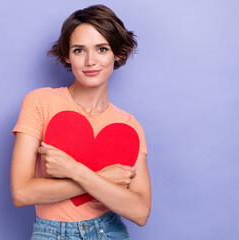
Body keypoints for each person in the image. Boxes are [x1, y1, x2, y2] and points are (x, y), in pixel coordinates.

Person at [11, 4, 151, 239]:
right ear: (67, 55)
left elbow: (140, 211)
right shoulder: (40, 102)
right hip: (51, 233)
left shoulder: (128, 126)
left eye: (101, 49)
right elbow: (22, 192)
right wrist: (105, 178)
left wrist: (75, 170)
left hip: (108, 231)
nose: (90, 61)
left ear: (117, 53)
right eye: (79, 50)